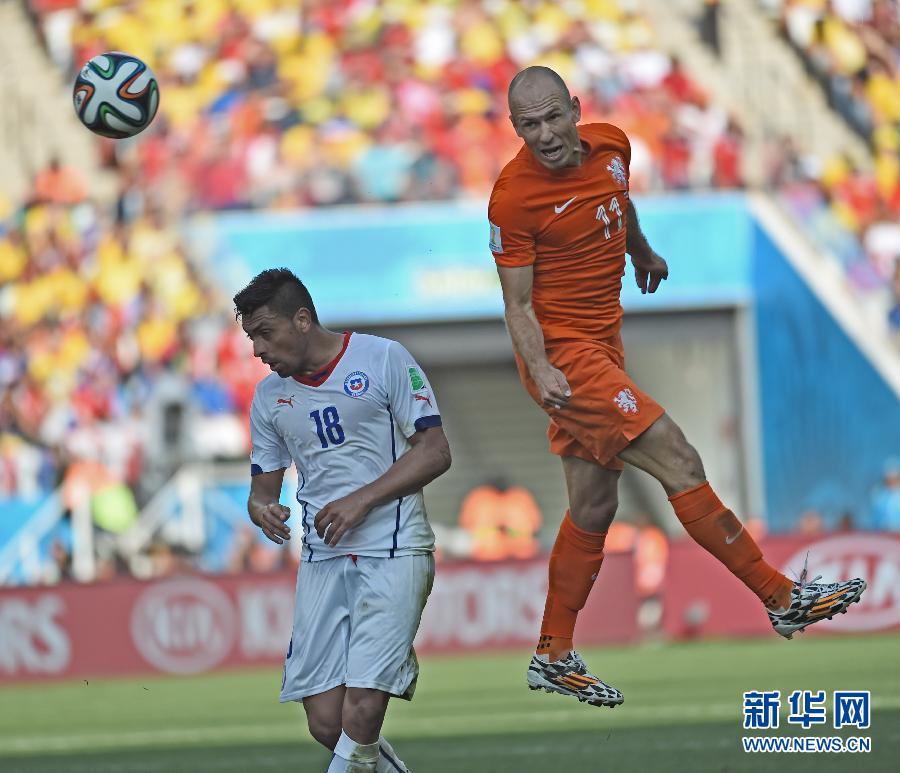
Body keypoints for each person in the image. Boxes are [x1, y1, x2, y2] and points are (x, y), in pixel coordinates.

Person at [488, 66, 867, 708]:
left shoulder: (612, 145)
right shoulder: (512, 198)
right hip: (564, 359)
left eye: (554, 117)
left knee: (593, 507)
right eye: (530, 124)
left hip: (604, 346)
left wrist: (642, 251)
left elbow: (619, 201)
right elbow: (517, 305)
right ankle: (780, 598)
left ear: (577, 109)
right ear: (515, 127)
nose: (546, 134)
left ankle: (553, 652)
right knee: (679, 458)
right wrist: (544, 368)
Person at [234, 268, 451, 772]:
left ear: (303, 320)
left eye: (265, 332)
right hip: (322, 556)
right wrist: (263, 510)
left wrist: (362, 500)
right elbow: (260, 491)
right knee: (327, 723)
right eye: (250, 337)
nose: (257, 350)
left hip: (394, 548)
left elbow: (436, 451)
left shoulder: (383, 359)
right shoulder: (269, 398)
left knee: (362, 710)